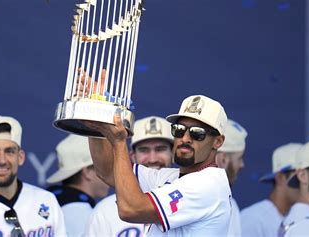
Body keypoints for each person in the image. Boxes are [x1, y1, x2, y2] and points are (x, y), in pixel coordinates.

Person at [86, 95, 232, 236]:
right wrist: (97, 117)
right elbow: (108, 171)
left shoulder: (208, 184)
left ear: (218, 141)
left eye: (197, 133)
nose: (185, 138)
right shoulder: (171, 177)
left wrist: (119, 143)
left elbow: (130, 210)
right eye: (179, 130)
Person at [85, 116, 174, 237]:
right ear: (132, 156)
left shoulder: (187, 194)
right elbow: (107, 171)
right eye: (144, 150)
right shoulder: (105, 211)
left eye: (160, 149)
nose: (153, 159)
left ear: (173, 154)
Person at [46, 134, 110, 237]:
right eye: (105, 165)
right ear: (87, 172)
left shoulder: (48, 201)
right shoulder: (81, 213)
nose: (111, 171)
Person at [240, 143, 302, 237]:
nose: (305, 182)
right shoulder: (254, 220)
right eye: (299, 176)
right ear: (280, 177)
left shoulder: (303, 220)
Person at [215, 119, 248, 236]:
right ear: (223, 159)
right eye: (239, 158)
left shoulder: (230, 203)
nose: (242, 165)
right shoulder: (189, 197)